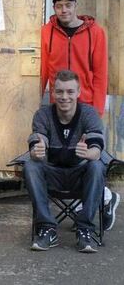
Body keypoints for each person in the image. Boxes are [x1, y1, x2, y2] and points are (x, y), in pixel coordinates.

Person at [40, 0, 117, 230]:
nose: (64, 10)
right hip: (59, 105)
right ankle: (100, 198)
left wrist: (95, 110)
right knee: (64, 157)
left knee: (88, 155)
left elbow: (100, 73)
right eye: (59, 5)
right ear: (54, 8)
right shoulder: (47, 32)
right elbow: (43, 68)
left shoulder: (95, 32)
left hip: (85, 105)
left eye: (68, 5)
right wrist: (37, 102)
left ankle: (101, 197)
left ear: (76, 6)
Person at [25, 70, 105, 253]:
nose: (64, 97)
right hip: (53, 174)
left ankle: (84, 228)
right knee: (31, 165)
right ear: (53, 93)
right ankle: (47, 228)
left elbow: (97, 149)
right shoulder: (42, 115)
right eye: (59, 91)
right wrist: (37, 150)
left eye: (70, 92)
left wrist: (88, 153)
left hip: (79, 175)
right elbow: (39, 139)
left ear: (78, 93)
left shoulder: (89, 114)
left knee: (97, 166)